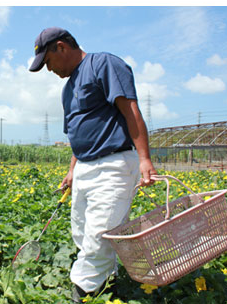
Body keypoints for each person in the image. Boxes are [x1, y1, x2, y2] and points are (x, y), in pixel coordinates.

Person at [29, 27, 157, 303]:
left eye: (48, 63)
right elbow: (77, 132)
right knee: (82, 230)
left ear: (60, 48)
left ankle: (82, 293)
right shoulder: (67, 90)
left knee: (100, 233)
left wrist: (145, 158)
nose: (49, 70)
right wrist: (73, 169)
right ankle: (105, 281)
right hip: (85, 166)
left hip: (113, 164)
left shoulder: (103, 64)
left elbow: (130, 111)